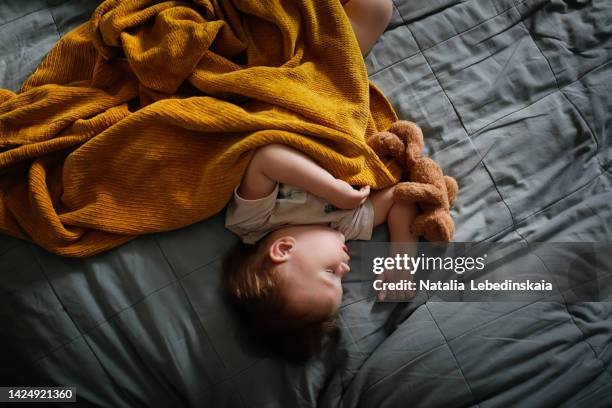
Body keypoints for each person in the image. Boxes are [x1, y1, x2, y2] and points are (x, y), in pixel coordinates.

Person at [223, 0, 413, 359]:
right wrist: (401, 259)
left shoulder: (254, 220)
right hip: (334, 95)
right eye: (343, 279)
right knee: (376, 9)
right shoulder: (346, 225)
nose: (345, 266)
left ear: (283, 250)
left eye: (330, 272)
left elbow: (267, 158)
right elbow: (401, 195)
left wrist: (330, 190)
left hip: (292, 97)